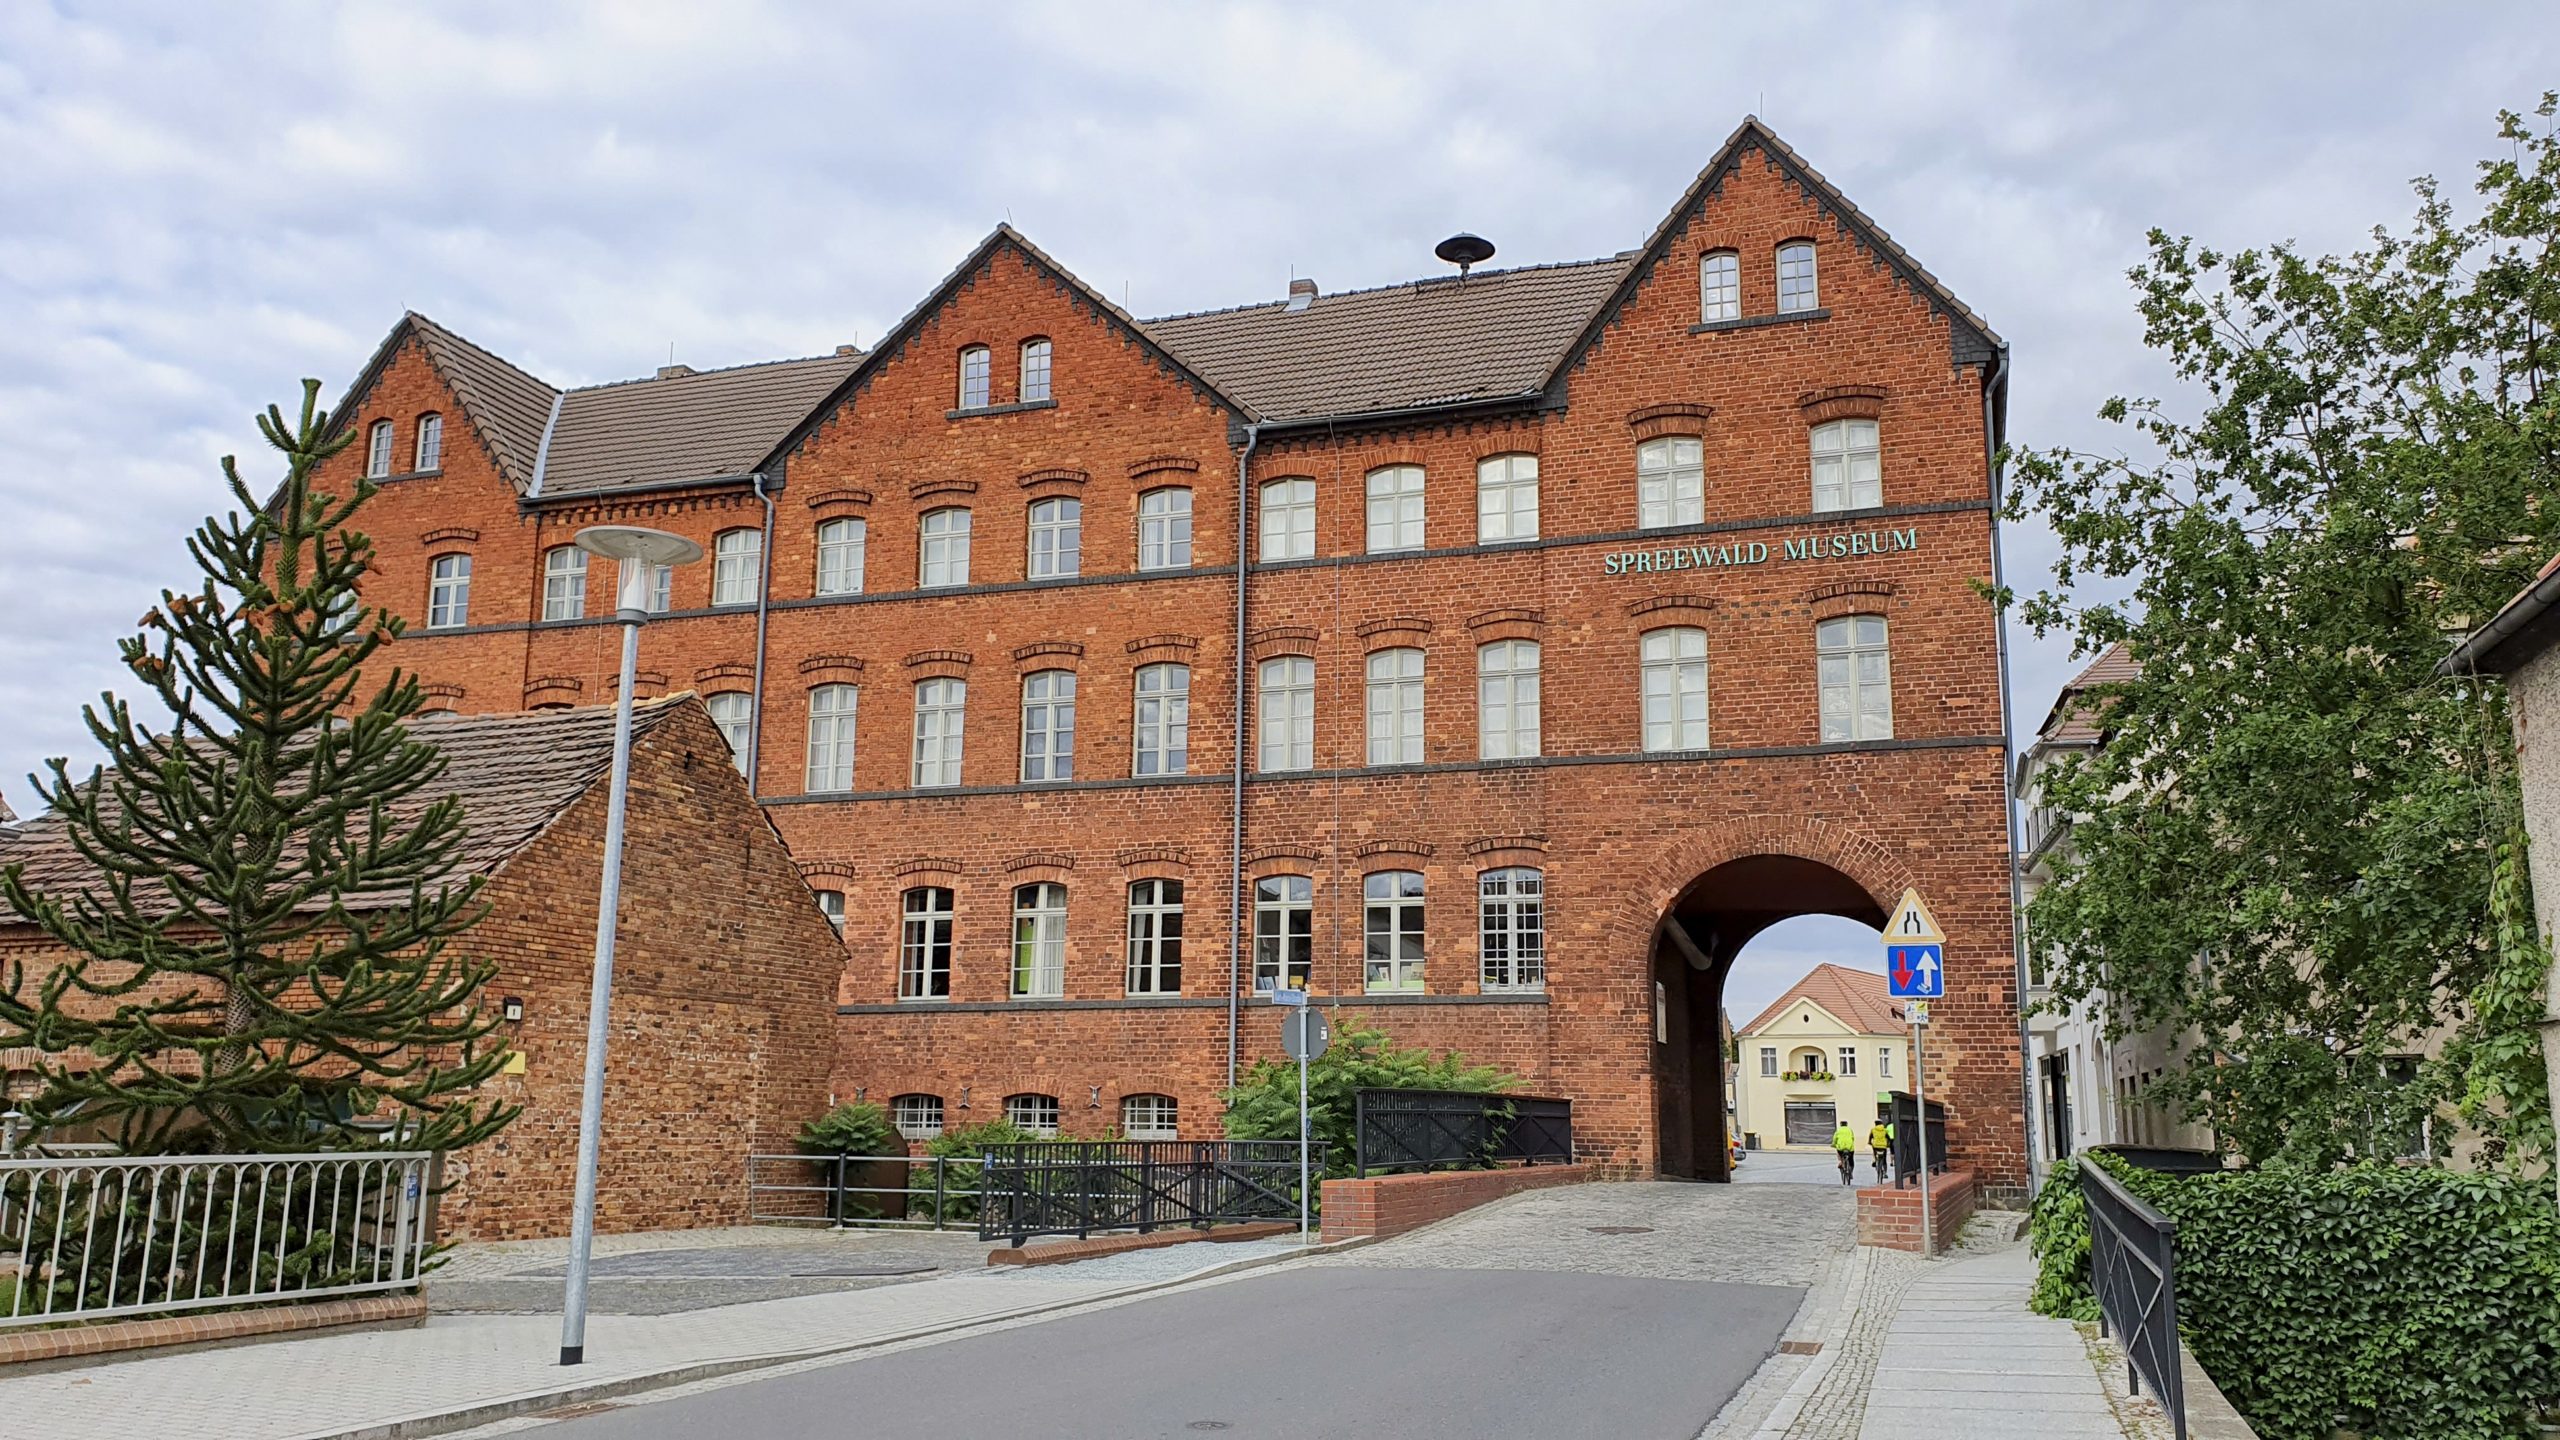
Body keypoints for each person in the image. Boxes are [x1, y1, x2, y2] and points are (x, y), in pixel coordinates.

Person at [1831, 1120, 1858, 1184]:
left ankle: (1840, 1162)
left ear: (1840, 1124)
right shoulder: (1850, 1130)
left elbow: (1835, 1139)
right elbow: (1853, 1138)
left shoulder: (1838, 1130)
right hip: (1849, 1148)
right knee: (1851, 1160)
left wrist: (1834, 1145)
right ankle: (1850, 1172)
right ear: (1846, 1124)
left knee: (1838, 1151)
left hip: (1841, 1148)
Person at [1869, 1118, 1892, 1182]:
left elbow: (1870, 1138)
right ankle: (1885, 1172)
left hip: (1875, 1146)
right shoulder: (1885, 1130)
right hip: (1883, 1147)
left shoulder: (1873, 1130)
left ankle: (1874, 1161)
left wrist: (1870, 1143)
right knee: (1884, 1159)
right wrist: (1888, 1144)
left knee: (1874, 1153)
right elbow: (1889, 1138)